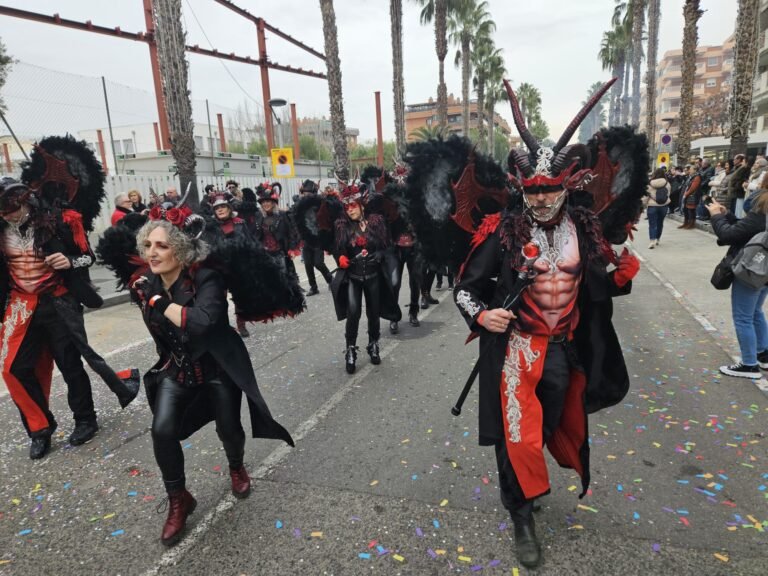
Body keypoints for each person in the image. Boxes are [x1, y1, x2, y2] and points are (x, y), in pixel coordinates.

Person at [451, 80, 642, 568]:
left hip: (563, 348)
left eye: (549, 190)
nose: (540, 200)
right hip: (516, 347)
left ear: (566, 186)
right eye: (532, 192)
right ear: (522, 190)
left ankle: (528, 480)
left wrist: (619, 277)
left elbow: (598, 284)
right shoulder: (504, 230)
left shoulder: (585, 229)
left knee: (550, 422)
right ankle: (520, 514)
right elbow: (465, 287)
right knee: (517, 431)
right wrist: (481, 313)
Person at [129, 217, 294, 546]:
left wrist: (158, 300)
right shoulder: (146, 281)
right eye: (147, 245)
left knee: (229, 428)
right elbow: (162, 331)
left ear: (181, 248)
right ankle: (179, 500)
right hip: (178, 368)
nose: (153, 252)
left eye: (161, 245)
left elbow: (202, 323)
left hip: (218, 367)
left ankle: (236, 466)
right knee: (162, 430)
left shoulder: (206, 278)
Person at [0, 153, 139, 460]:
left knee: (71, 364)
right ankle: (39, 428)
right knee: (13, 368)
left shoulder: (59, 222)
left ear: (25, 198)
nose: (9, 214)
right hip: (21, 305)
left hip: (59, 300)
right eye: (2, 209)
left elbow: (88, 257)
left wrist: (68, 261)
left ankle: (85, 419)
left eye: (13, 205)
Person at [333, 183, 395, 373]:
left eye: (353, 205)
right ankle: (350, 350)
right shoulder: (342, 226)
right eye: (347, 206)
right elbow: (338, 248)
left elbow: (387, 245)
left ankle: (373, 344)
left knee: (373, 313)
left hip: (374, 276)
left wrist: (380, 255)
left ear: (361, 205)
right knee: (353, 313)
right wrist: (341, 257)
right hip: (353, 277)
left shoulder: (376, 222)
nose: (350, 209)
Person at [706, 191, 768, 378]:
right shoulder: (761, 218)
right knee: (756, 311)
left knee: (743, 317)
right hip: (764, 271)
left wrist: (716, 216)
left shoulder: (761, 215)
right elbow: (745, 230)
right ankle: (763, 354)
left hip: (751, 271)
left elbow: (728, 235)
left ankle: (749, 364)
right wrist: (728, 216)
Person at [298, 180, 332, 296]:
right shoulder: (300, 204)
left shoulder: (319, 203)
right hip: (306, 238)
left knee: (318, 263)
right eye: (304, 193)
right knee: (308, 263)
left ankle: (330, 280)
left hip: (318, 237)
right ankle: (313, 287)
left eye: (308, 193)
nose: (305, 195)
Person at [646, 168, 671, 248]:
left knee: (652, 224)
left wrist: (643, 204)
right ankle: (658, 239)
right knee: (660, 223)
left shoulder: (649, 183)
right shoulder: (667, 183)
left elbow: (646, 195)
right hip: (663, 206)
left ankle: (652, 241)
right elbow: (668, 194)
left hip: (652, 206)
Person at [679, 165, 700, 229]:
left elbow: (693, 188)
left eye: (691, 169)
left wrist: (686, 193)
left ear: (695, 170)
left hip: (692, 196)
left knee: (691, 210)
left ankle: (691, 224)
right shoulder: (690, 177)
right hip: (687, 196)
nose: (689, 171)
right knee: (686, 209)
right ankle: (685, 223)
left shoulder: (697, 177)